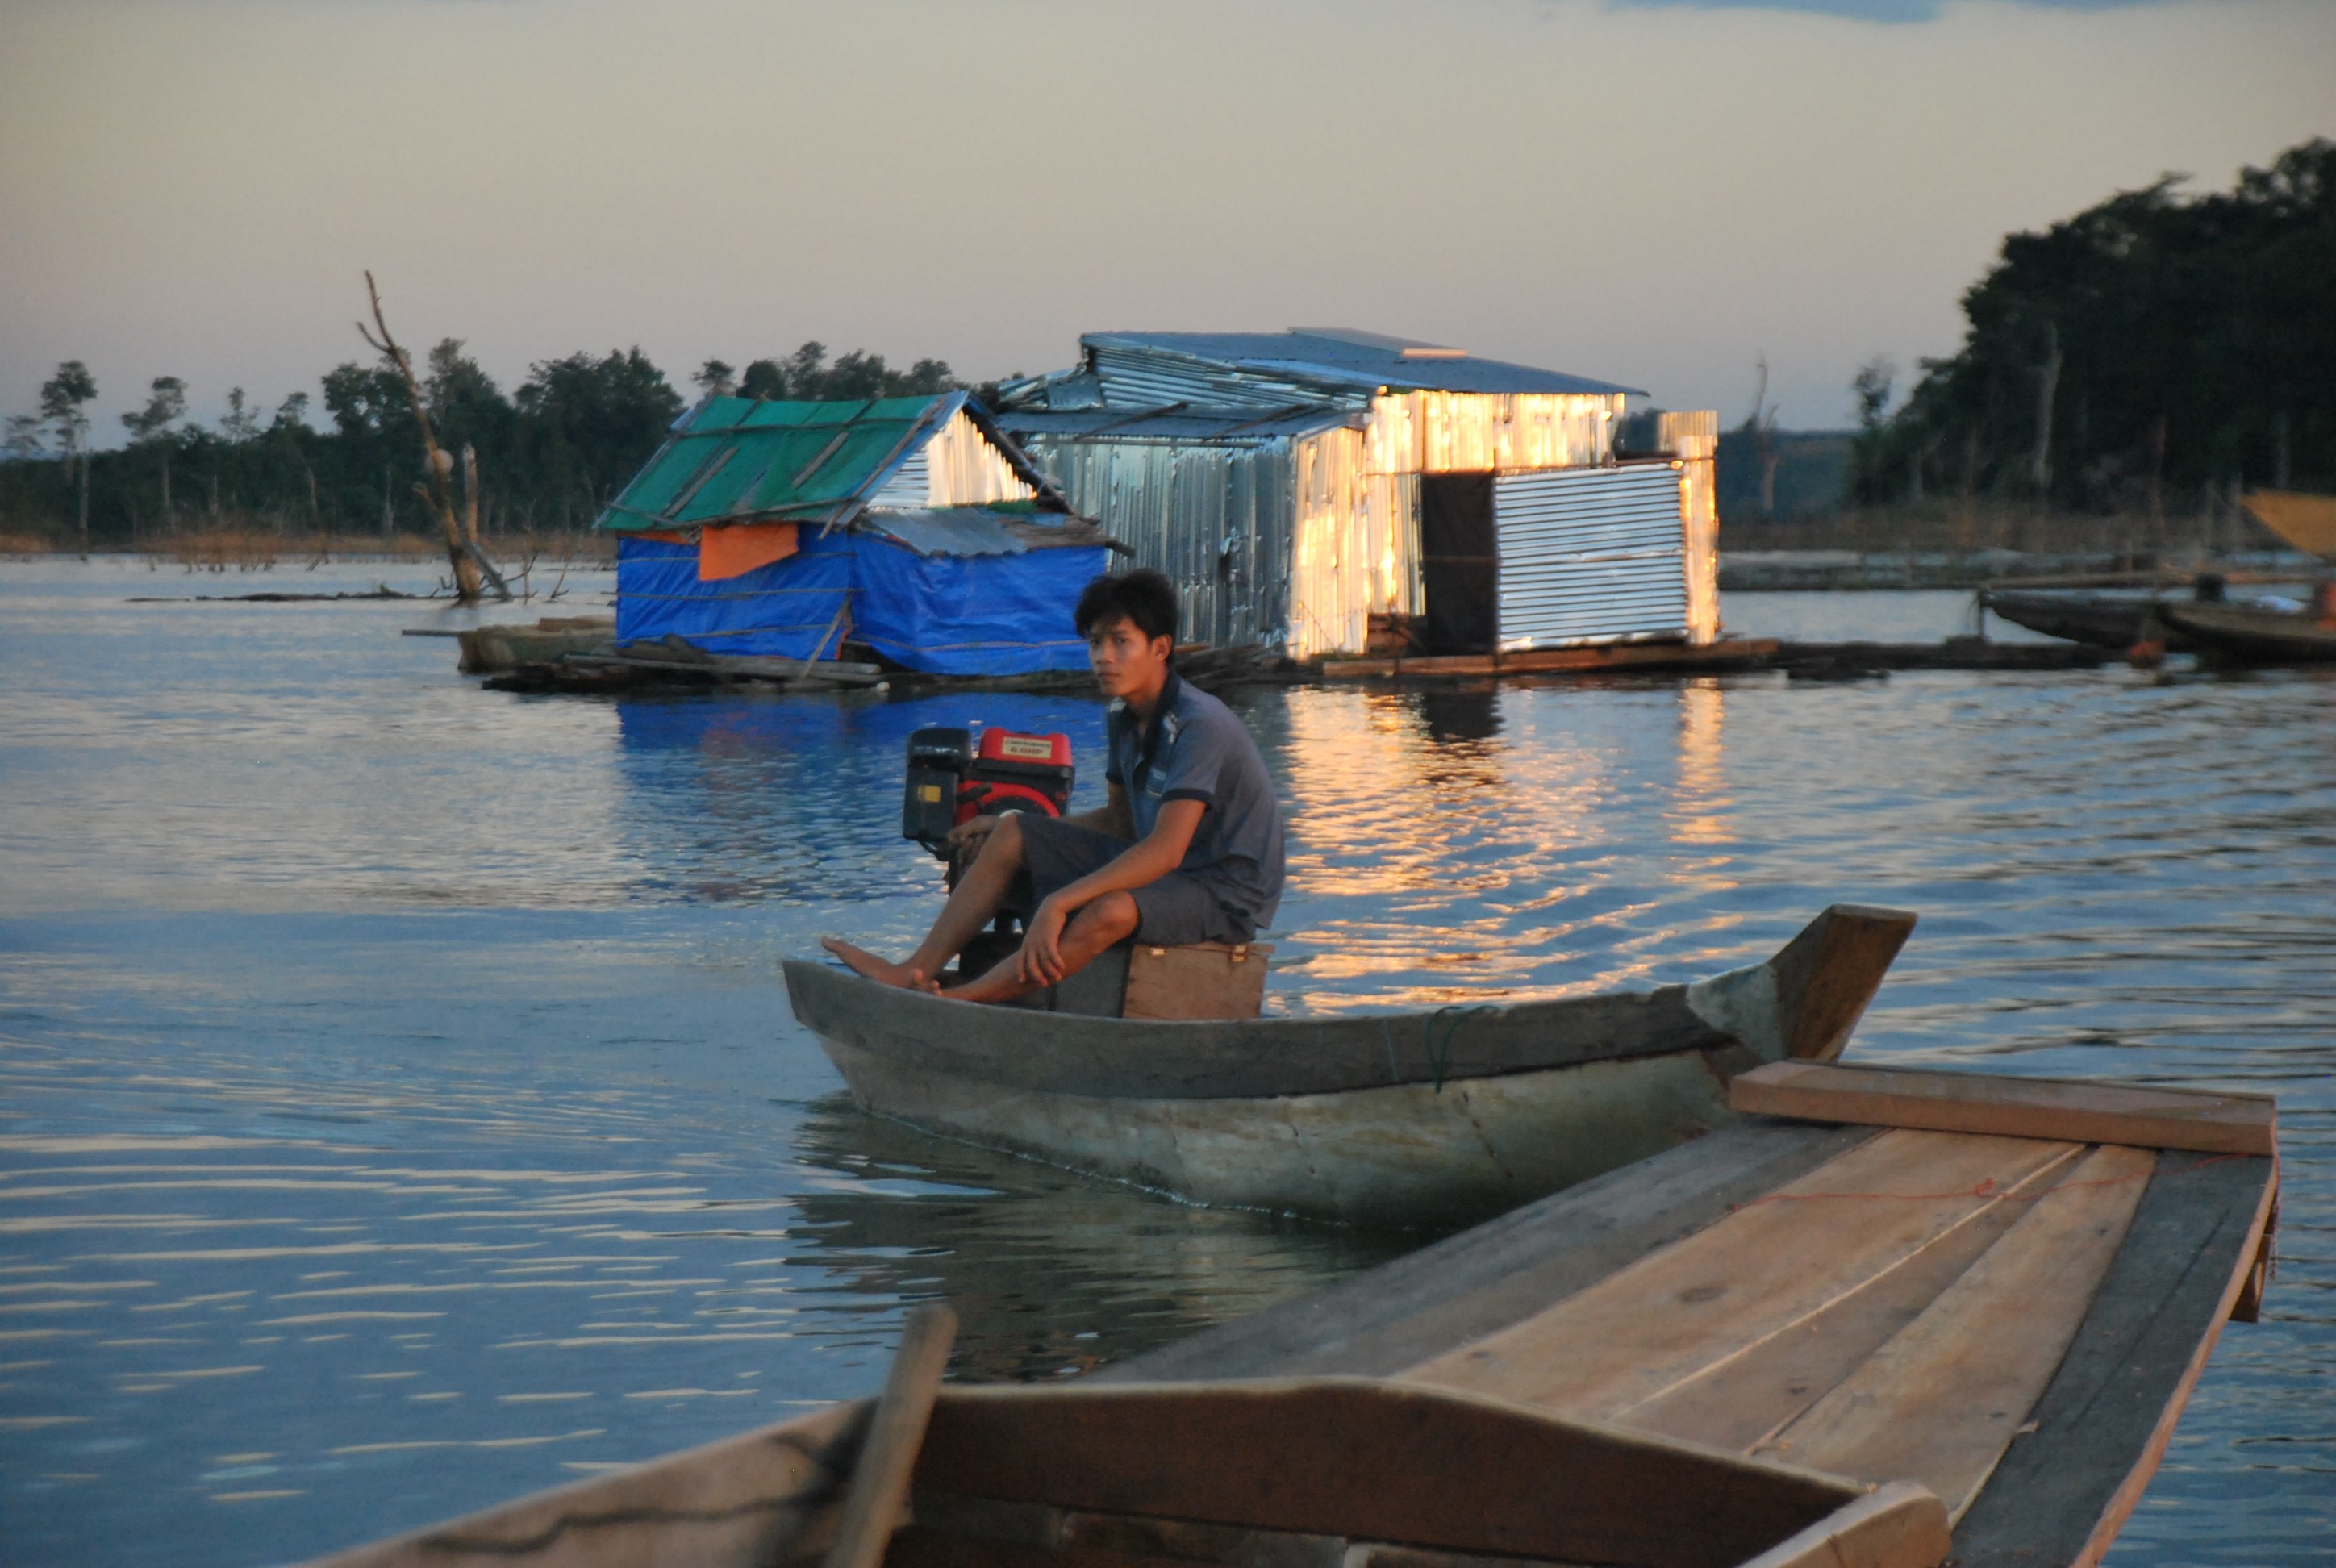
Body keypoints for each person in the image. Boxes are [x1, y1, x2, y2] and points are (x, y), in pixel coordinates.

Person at [822, 569, 1284, 1003]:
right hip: (1170, 871)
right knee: (1013, 831)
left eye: (1121, 642)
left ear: (1160, 649)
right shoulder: (1123, 717)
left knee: (1111, 910)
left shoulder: (1199, 725)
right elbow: (1121, 823)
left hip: (1223, 893)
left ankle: (962, 1001)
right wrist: (1017, 827)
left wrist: (1060, 903)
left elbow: (1165, 850)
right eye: (1096, 643)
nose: (1104, 657)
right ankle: (915, 971)